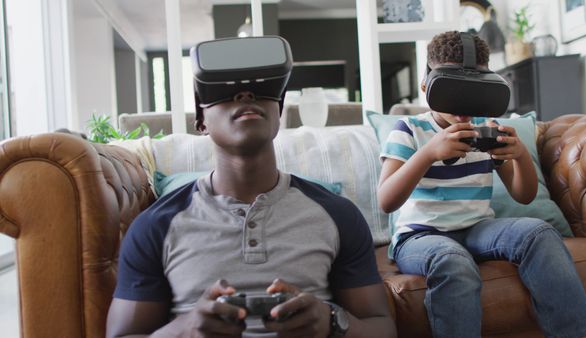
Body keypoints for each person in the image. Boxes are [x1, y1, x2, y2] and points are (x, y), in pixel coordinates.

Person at [106, 37, 396, 338]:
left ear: (278, 112)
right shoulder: (157, 225)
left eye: (262, 88)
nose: (245, 94)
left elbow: (383, 328)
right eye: (223, 90)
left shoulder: (338, 214)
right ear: (201, 121)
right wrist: (186, 330)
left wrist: (332, 323)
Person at [377, 31, 586, 338]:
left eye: (473, 90)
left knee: (538, 233)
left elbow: (523, 196)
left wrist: (520, 156)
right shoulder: (408, 130)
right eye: (451, 90)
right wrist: (428, 154)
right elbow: (386, 201)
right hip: (420, 236)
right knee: (453, 263)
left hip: (478, 228)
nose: (462, 104)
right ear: (427, 87)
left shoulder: (487, 129)